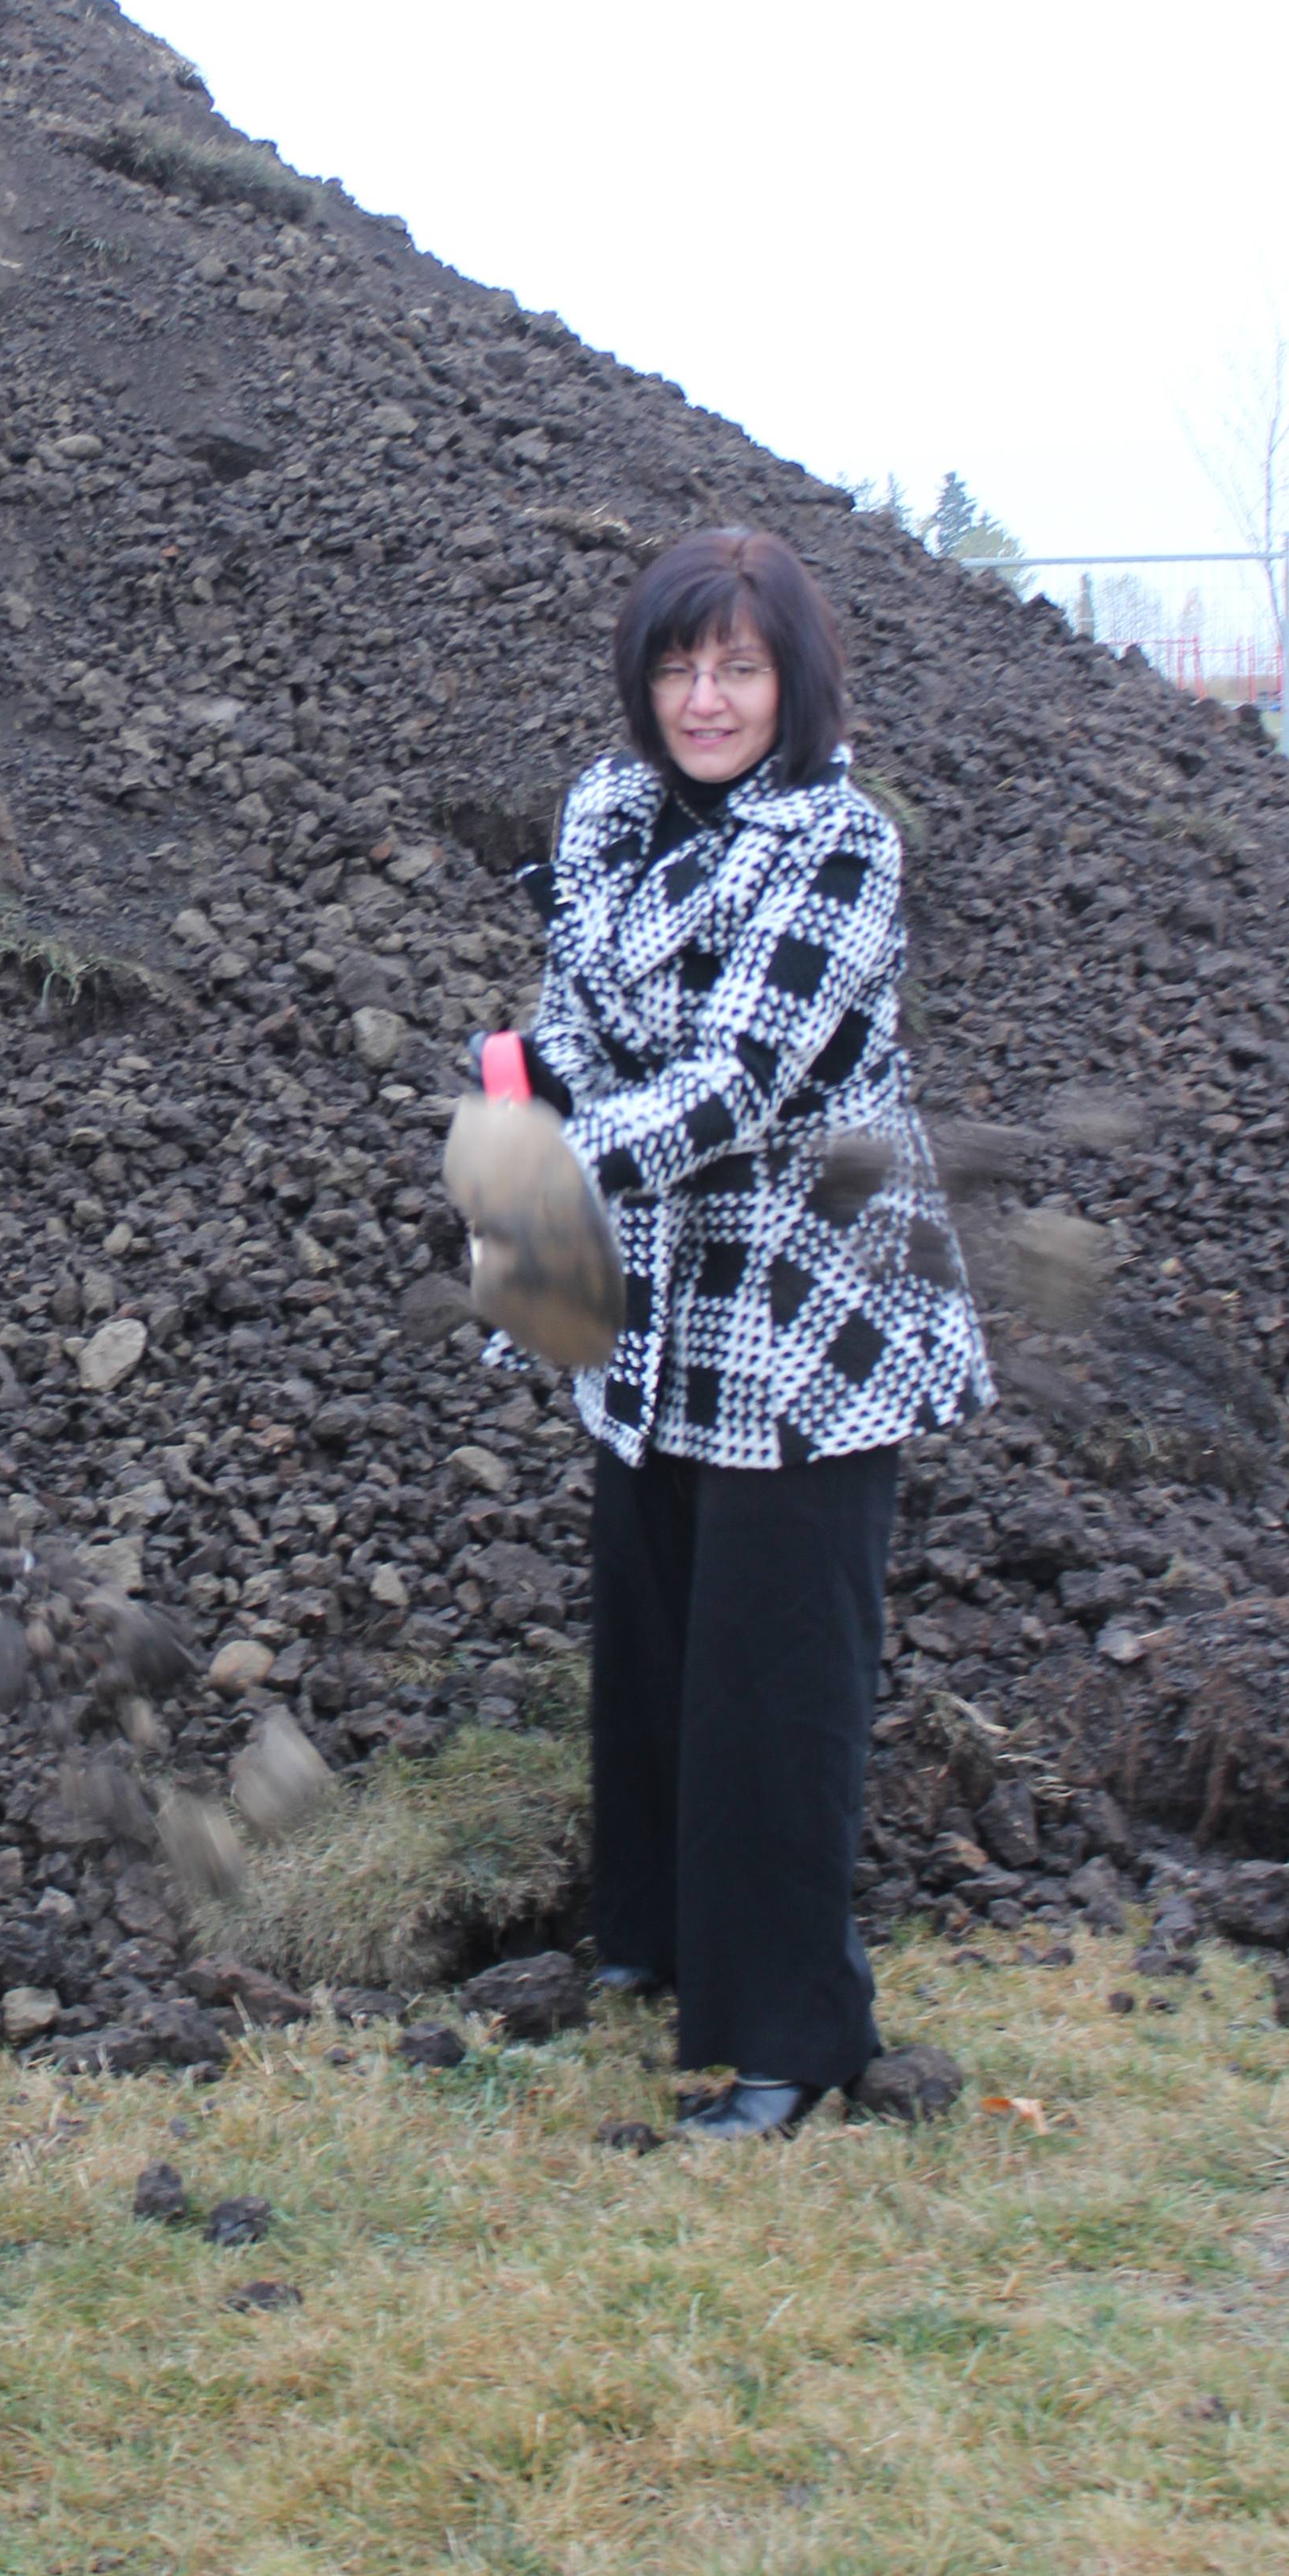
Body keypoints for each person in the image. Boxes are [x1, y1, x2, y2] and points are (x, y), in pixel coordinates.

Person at [507, 526, 989, 2136]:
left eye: (738, 666)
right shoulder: (610, 821)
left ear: (793, 678)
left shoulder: (841, 841)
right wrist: (526, 1098)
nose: (704, 698)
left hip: (809, 1305)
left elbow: (742, 1082)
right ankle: (656, 1944)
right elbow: (578, 1020)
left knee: (775, 1676)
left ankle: (791, 2034)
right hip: (652, 1299)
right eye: (676, 664)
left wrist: (564, 1156)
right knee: (658, 1640)